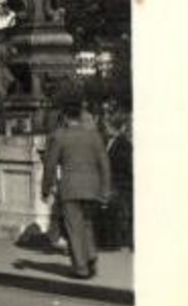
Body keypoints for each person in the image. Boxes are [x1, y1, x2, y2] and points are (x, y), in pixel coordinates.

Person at [42, 94, 112, 280]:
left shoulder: (59, 136)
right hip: (92, 188)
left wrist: (46, 188)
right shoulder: (94, 136)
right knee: (87, 224)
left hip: (70, 188)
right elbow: (105, 164)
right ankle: (91, 256)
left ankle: (81, 268)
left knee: (74, 227)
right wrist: (105, 189)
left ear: (64, 116)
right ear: (80, 115)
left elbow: (50, 165)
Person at [104, 110, 133, 250]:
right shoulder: (112, 141)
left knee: (122, 213)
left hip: (121, 182)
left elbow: (123, 164)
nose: (105, 128)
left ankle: (123, 242)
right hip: (115, 182)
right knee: (117, 212)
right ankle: (116, 241)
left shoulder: (123, 143)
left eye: (107, 126)